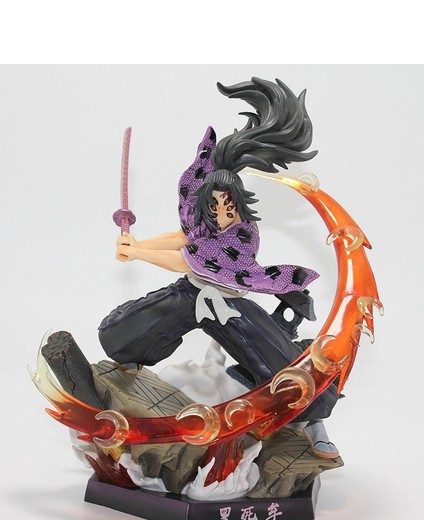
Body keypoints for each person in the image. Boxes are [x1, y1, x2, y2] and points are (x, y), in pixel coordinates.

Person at [98, 77, 340, 457]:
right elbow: (182, 238)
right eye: (214, 205)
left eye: (228, 205)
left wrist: (140, 253)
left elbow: (189, 258)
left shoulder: (244, 235)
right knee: (122, 333)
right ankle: (128, 365)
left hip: (228, 303)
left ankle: (313, 421)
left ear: (240, 201)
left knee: (285, 371)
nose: (221, 212)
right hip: (190, 292)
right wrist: (137, 244)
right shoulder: (205, 216)